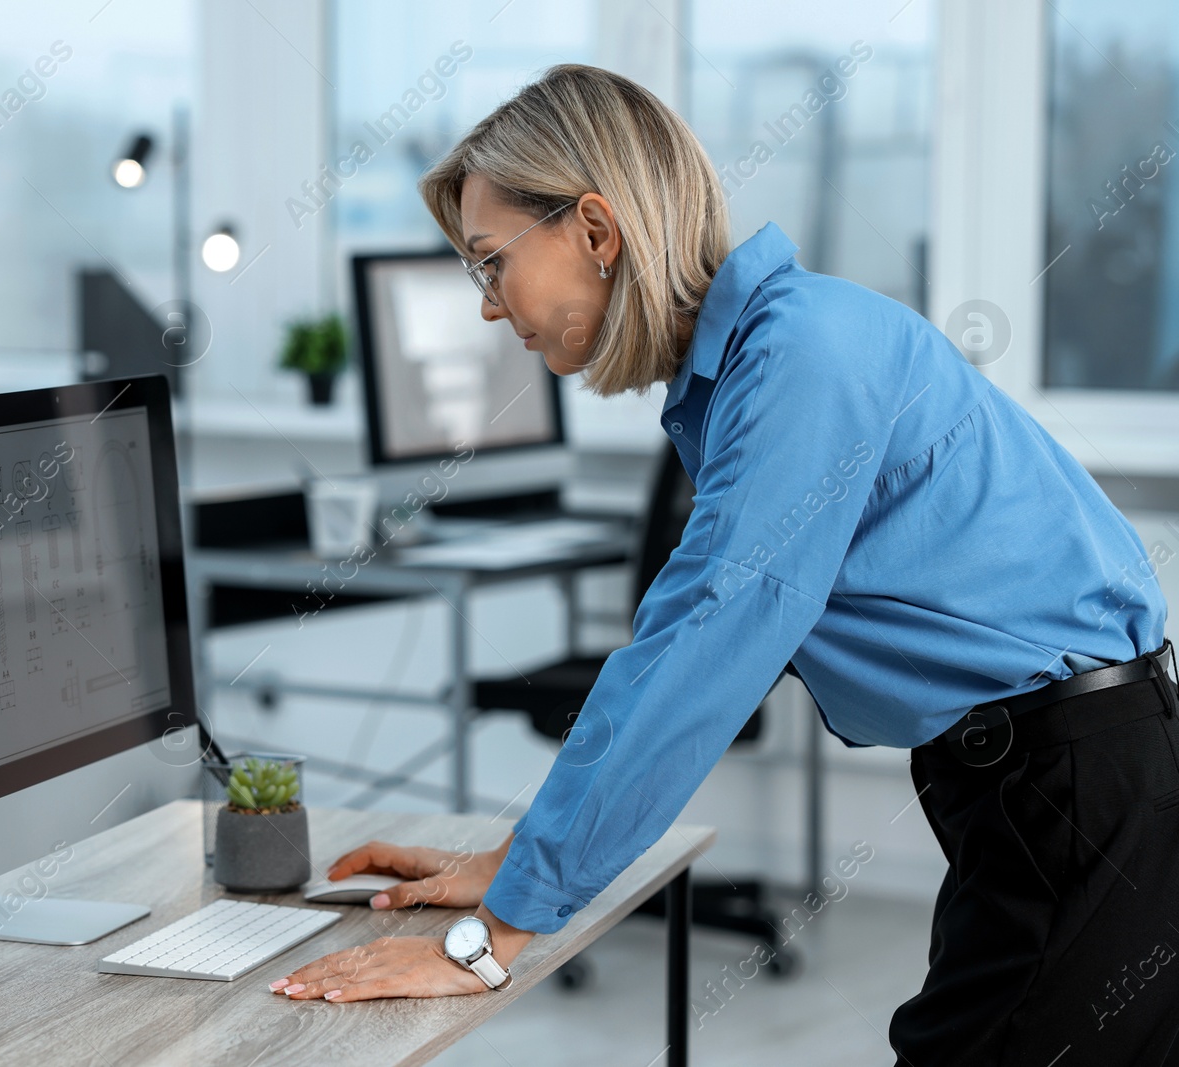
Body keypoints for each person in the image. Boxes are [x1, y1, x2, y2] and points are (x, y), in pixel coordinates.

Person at [268, 63, 1177, 1065]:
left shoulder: (799, 360)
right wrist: (514, 862)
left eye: (489, 262)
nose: (488, 304)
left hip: (1078, 787)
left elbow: (701, 648)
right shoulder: (756, 366)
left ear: (595, 231)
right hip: (1049, 782)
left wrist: (498, 936)